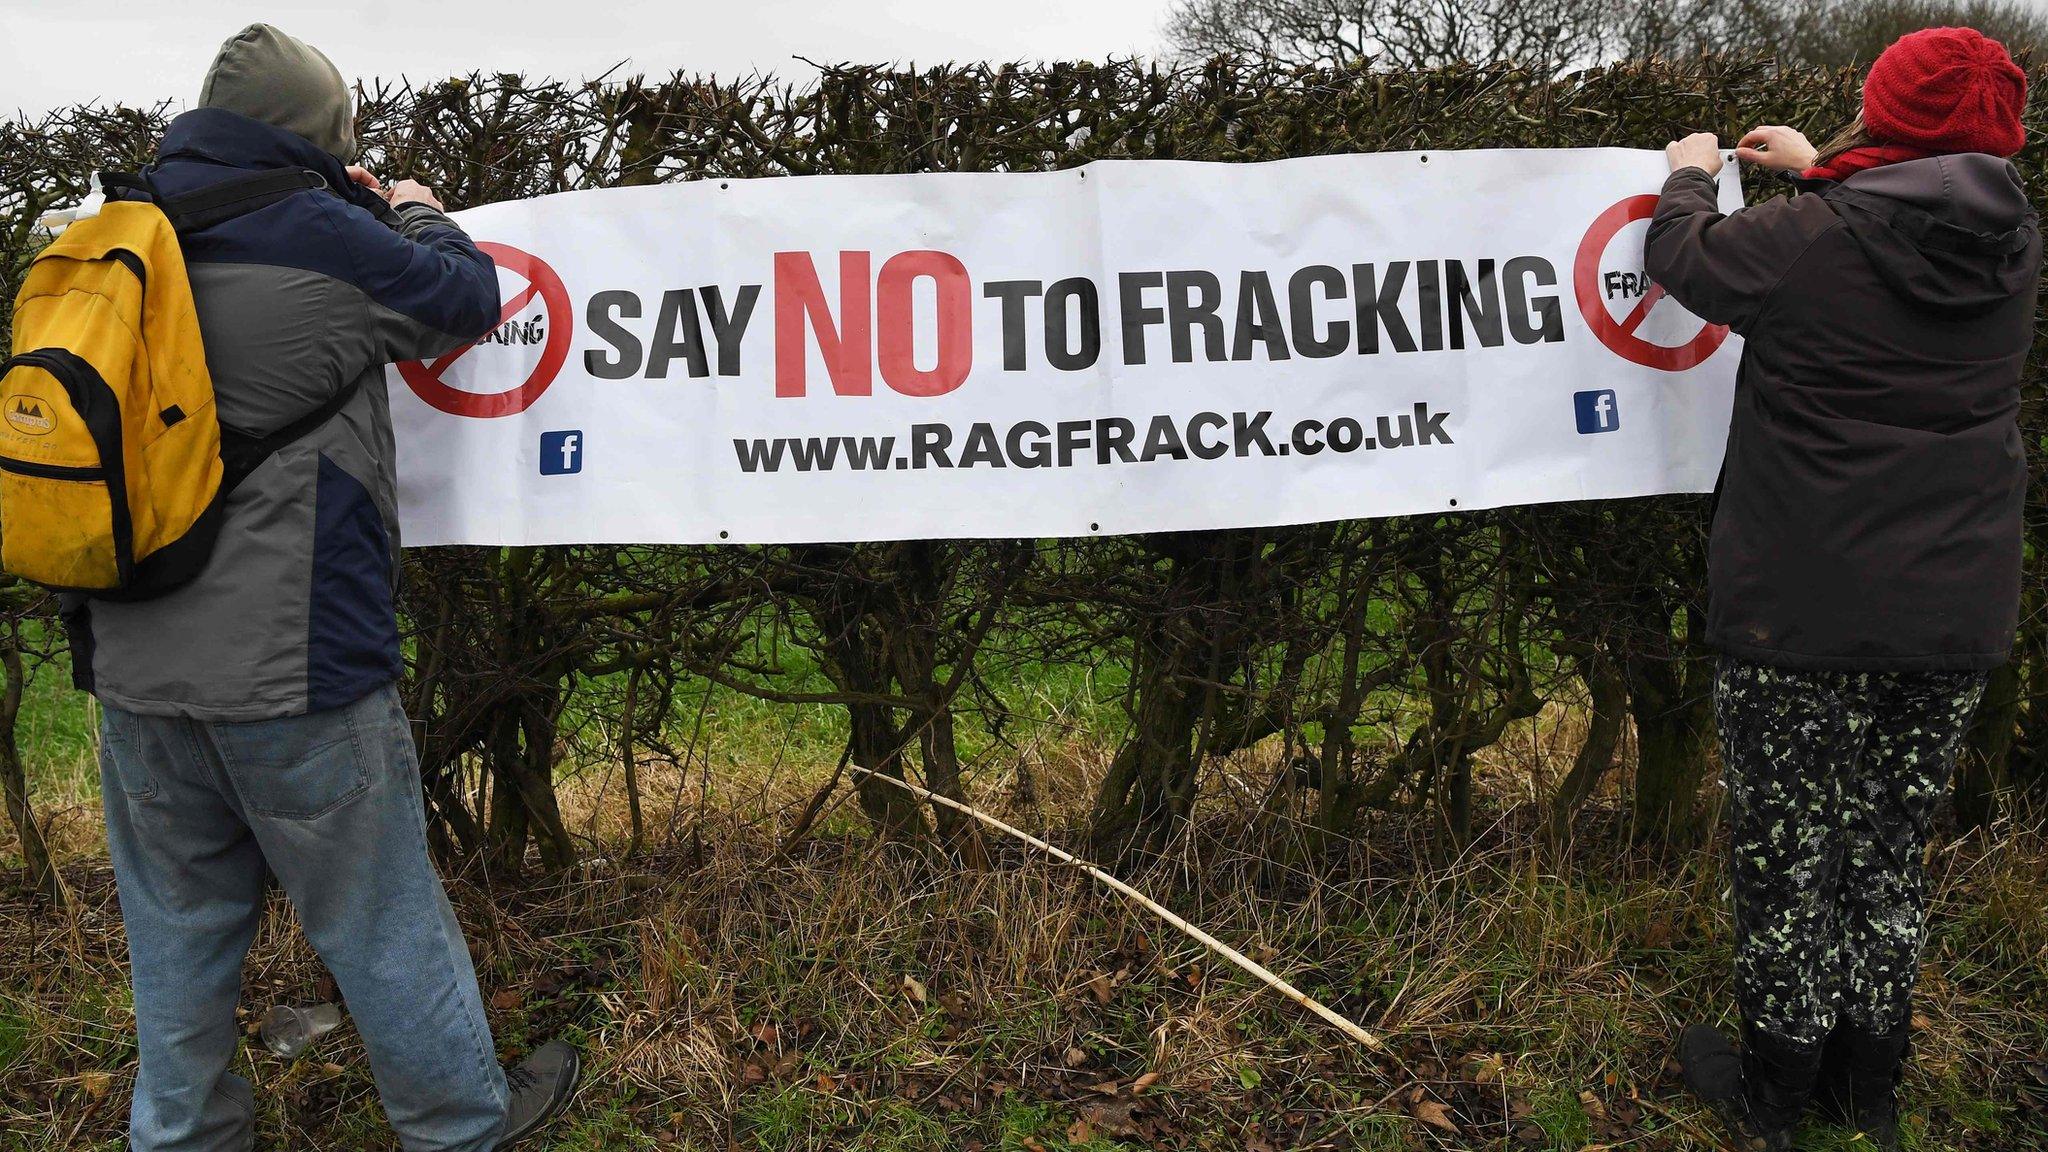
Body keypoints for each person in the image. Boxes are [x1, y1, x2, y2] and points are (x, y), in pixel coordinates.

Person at [71, 24, 581, 1151]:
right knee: (378, 913)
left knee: (176, 929)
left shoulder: (114, 232)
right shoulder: (317, 233)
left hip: (131, 663)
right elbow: (464, 296)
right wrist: (406, 202)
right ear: (323, 137)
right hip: (289, 662)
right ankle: (458, 1127)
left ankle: (182, 1134)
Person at [1644, 26, 2038, 1152]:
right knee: (1882, 850)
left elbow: (1688, 260)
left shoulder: (1807, 240)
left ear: (1888, 115)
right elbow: (1898, 228)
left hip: (1801, 613)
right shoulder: (2010, 241)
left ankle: (1772, 1094)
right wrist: (1820, 169)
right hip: (1952, 616)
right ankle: (1868, 1085)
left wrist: (1685, 171)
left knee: (1785, 855)